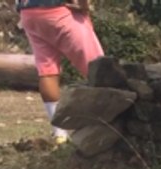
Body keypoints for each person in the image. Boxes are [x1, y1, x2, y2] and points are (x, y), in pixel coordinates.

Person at [16, 0, 104, 144]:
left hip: (29, 12)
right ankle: (110, 123)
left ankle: (59, 133)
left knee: (47, 70)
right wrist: (84, 6)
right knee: (98, 66)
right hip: (60, 10)